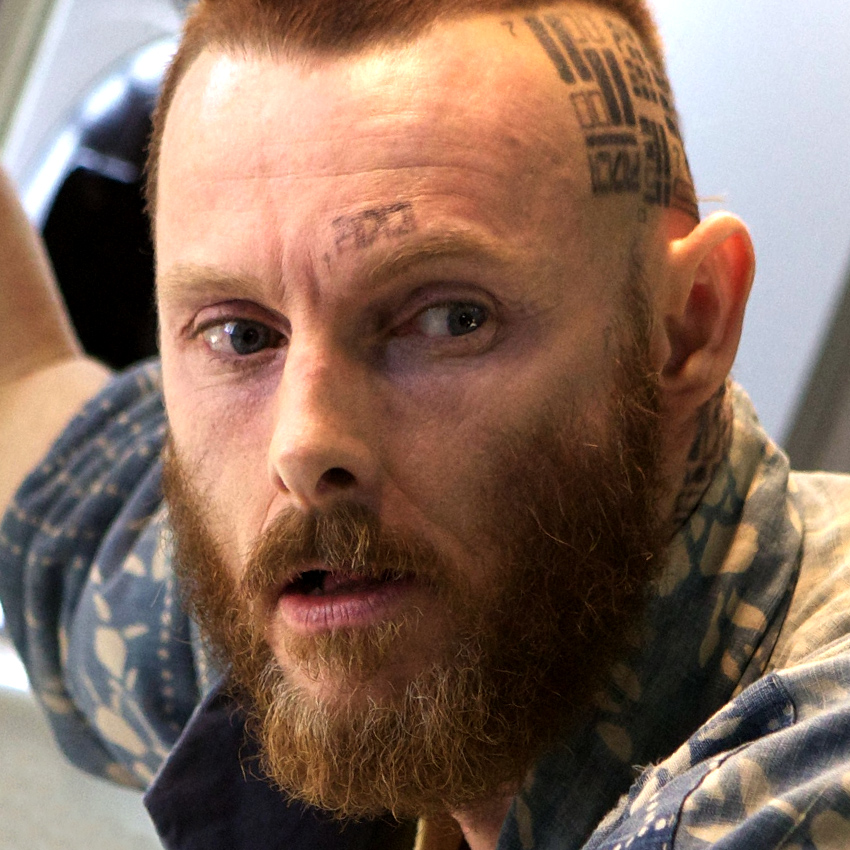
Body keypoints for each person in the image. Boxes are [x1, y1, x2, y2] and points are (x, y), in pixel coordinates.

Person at [3, 0, 850, 848]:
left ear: (687, 328)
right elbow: (25, 390)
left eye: (450, 320)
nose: (303, 446)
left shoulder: (806, 771)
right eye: (243, 336)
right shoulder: (359, 603)